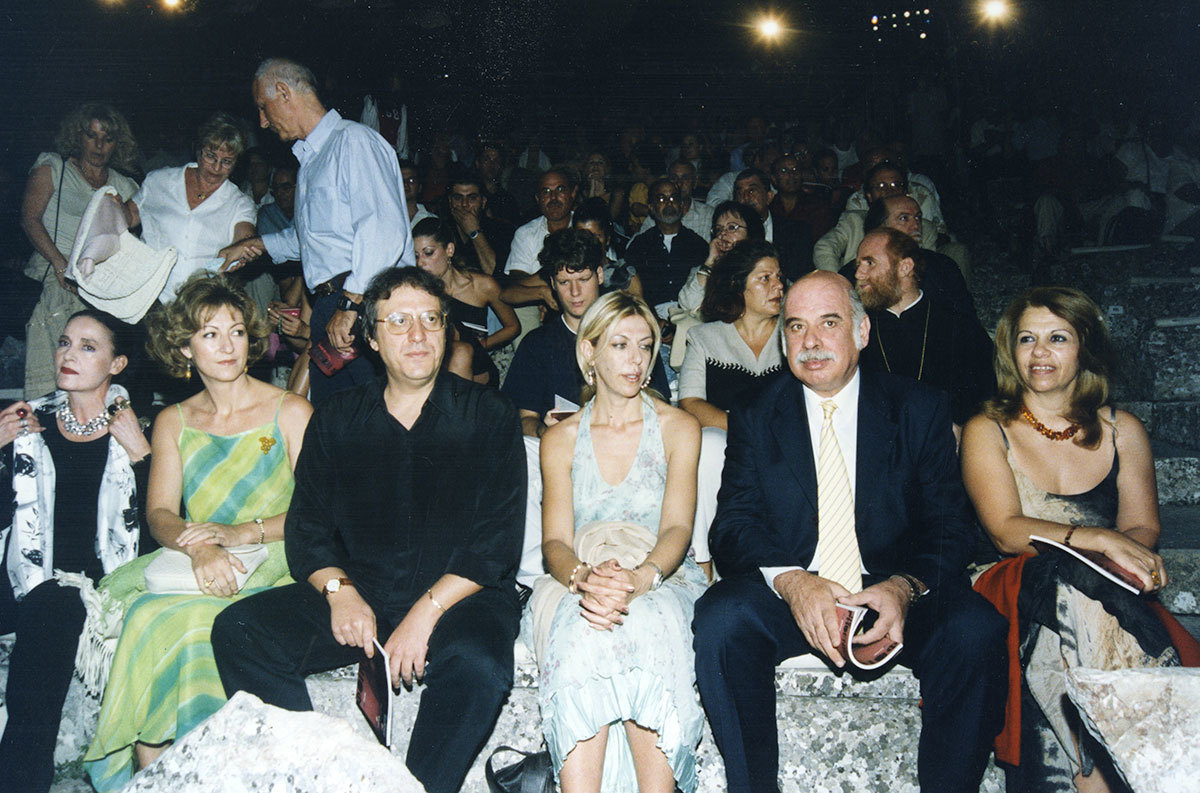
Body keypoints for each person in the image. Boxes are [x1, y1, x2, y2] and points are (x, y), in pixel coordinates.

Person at [211, 267, 525, 793]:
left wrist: (426, 612)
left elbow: (496, 543)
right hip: (365, 590)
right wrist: (339, 591)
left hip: (460, 596)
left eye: (430, 320)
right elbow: (308, 526)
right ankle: (311, 776)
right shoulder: (338, 418)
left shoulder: (488, 415)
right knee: (240, 630)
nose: (417, 334)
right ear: (372, 339)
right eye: (398, 321)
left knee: (479, 664)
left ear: (447, 331)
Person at [693, 271, 1007, 793]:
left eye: (829, 323)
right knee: (722, 620)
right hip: (797, 587)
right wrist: (793, 582)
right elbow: (733, 526)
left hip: (891, 588)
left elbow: (951, 525)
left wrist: (904, 587)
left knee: (975, 631)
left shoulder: (918, 407)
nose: (810, 342)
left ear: (861, 332)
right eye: (796, 327)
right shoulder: (756, 411)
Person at [83, 275, 311, 791]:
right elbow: (161, 514)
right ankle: (152, 771)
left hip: (277, 554)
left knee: (182, 622)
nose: (227, 346)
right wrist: (203, 546)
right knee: (144, 614)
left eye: (236, 332)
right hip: (203, 554)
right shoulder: (174, 420)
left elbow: (318, 514)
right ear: (185, 347)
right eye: (209, 334)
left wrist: (239, 532)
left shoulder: (291, 411)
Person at [962, 287, 1188, 793]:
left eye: (1057, 338)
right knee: (1068, 581)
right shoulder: (988, 428)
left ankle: (1089, 772)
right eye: (1027, 339)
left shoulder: (1122, 429)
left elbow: (1142, 527)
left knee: (1076, 605)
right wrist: (1098, 540)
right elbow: (1006, 530)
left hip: (1099, 591)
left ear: (1085, 347)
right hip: (1012, 585)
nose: (1039, 352)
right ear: (1011, 350)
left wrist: (1124, 552)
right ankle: (1138, 754)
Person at [534, 290, 707, 793]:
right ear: (589, 351)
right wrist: (586, 579)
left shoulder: (679, 428)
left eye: (645, 345)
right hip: (579, 573)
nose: (636, 359)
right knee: (583, 627)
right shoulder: (560, 439)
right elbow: (554, 542)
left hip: (659, 570)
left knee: (646, 622)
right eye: (620, 345)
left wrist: (640, 578)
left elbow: (677, 529)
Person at [0, 310, 151, 793]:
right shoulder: (29, 422)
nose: (68, 354)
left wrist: (141, 456)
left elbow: (162, 526)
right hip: (23, 573)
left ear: (117, 364)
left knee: (52, 606)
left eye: (88, 347)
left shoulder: (139, 428)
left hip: (92, 586)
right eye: (65, 342)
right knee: (44, 601)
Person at [220, 57, 415, 405]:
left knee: (378, 414)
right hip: (331, 304)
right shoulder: (310, 161)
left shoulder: (353, 142)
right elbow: (313, 240)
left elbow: (382, 231)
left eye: (263, 107)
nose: (262, 121)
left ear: (284, 92)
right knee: (335, 416)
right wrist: (256, 245)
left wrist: (350, 303)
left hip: (363, 300)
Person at [679, 239, 784, 578]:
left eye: (779, 277)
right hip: (728, 440)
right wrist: (745, 430)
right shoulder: (704, 337)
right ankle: (704, 564)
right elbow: (690, 403)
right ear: (738, 285)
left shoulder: (793, 334)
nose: (778, 286)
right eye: (765, 278)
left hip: (783, 442)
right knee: (709, 443)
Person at [21, 102, 140, 399]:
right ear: (78, 136)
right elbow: (29, 219)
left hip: (99, 283)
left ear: (117, 144)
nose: (99, 145)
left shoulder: (125, 186)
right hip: (55, 273)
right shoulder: (54, 167)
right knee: (55, 365)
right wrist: (60, 264)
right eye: (91, 135)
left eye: (107, 139)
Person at [852, 228, 995, 431]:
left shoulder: (958, 325)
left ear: (905, 267)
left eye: (869, 263)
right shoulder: (856, 329)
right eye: (858, 265)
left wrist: (965, 427)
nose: (858, 274)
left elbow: (986, 392)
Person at [124, 112, 257, 305]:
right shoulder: (159, 180)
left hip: (199, 301)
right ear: (198, 150)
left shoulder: (239, 202)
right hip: (146, 294)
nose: (217, 167)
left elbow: (245, 236)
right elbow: (128, 216)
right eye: (211, 156)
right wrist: (110, 205)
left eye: (227, 161)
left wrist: (244, 249)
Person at [411, 216, 518, 384]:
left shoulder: (482, 285)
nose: (421, 263)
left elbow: (513, 327)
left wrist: (483, 344)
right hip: (441, 364)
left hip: (478, 366)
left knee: (460, 352)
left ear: (449, 250)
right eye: (416, 256)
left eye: (428, 253)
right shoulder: (422, 291)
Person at [623, 178, 710, 313]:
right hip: (650, 315)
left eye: (673, 198)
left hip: (690, 314)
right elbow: (631, 291)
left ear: (681, 205)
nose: (669, 203)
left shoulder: (697, 244)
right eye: (661, 199)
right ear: (651, 208)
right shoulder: (639, 245)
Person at [731, 167, 813, 281]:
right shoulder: (731, 235)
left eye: (752, 191)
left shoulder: (796, 231)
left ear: (769, 197)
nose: (745, 197)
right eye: (740, 193)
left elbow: (802, 278)